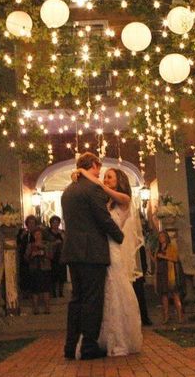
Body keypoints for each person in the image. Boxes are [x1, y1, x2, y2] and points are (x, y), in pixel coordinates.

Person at [61, 152, 124, 360]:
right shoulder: (93, 189)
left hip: (72, 251)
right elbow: (103, 219)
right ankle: (89, 345)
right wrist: (119, 235)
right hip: (92, 253)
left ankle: (70, 346)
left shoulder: (68, 191)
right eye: (99, 167)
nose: (101, 172)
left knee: (76, 300)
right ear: (94, 165)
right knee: (92, 300)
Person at [76, 165, 143, 356]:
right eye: (104, 178)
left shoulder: (124, 200)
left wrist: (94, 181)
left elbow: (114, 202)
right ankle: (101, 338)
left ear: (119, 181)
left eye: (110, 178)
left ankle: (120, 338)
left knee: (115, 291)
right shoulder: (105, 204)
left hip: (114, 251)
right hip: (100, 251)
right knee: (102, 295)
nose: (105, 180)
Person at [150, 230, 184, 324]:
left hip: (169, 274)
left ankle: (180, 316)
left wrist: (164, 256)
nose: (161, 238)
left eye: (162, 236)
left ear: (166, 237)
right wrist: (151, 256)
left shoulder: (171, 247)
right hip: (161, 274)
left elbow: (175, 258)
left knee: (175, 294)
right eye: (160, 237)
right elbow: (156, 261)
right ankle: (166, 317)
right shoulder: (158, 249)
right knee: (164, 296)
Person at [25, 226, 53, 314]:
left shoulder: (47, 244)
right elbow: (26, 257)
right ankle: (36, 308)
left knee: (46, 288)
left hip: (45, 268)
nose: (37, 236)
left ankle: (47, 308)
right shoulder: (30, 245)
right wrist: (32, 255)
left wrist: (43, 252)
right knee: (35, 289)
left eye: (39, 234)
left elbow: (51, 256)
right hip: (34, 268)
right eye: (35, 234)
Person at [17, 214, 37, 297]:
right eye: (29, 223)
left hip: (34, 258)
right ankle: (25, 293)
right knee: (24, 275)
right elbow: (18, 243)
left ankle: (33, 293)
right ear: (27, 224)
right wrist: (22, 236)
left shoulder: (37, 233)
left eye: (33, 223)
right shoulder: (23, 233)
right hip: (23, 258)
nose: (31, 224)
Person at [46, 215, 66, 298]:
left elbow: (66, 242)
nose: (55, 224)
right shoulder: (48, 233)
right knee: (53, 274)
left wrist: (62, 236)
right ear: (51, 224)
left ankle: (61, 292)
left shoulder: (62, 232)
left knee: (61, 274)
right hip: (52, 256)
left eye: (57, 223)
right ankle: (53, 292)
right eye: (54, 223)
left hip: (61, 255)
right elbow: (46, 244)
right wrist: (54, 243)